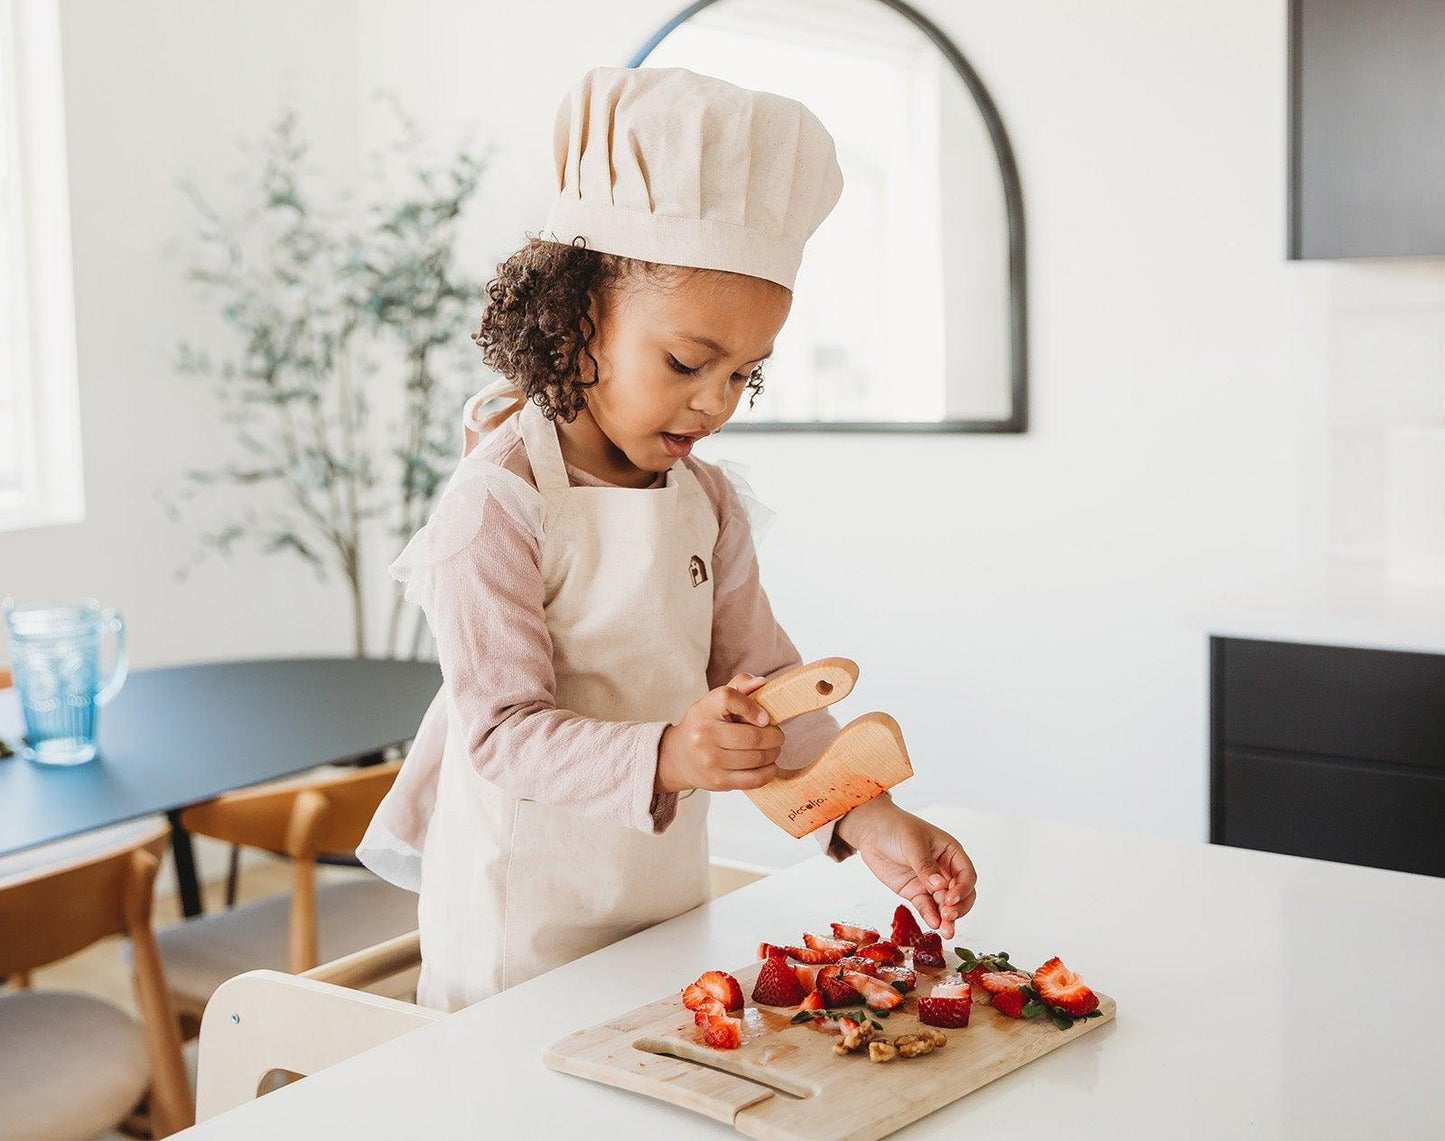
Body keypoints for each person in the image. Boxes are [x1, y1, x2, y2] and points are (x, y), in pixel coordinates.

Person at [358, 65, 977, 1013]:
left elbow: (772, 685)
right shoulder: (496, 506)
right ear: (572, 321)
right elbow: (500, 734)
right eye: (689, 361)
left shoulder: (708, 503)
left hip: (660, 904)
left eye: (745, 374)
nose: (716, 401)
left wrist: (871, 816)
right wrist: (670, 757)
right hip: (517, 923)